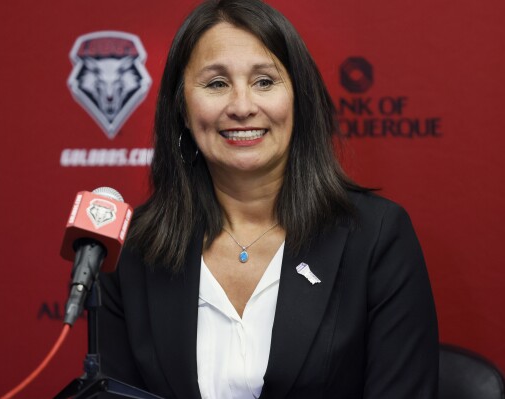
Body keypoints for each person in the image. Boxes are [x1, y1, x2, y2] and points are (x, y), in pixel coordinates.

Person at [97, 0, 439, 398]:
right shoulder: (132, 248)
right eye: (216, 84)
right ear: (182, 110)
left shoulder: (377, 237)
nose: (242, 107)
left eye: (264, 81)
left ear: (298, 98)